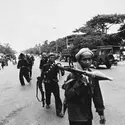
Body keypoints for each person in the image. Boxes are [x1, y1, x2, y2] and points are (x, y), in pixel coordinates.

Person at [64, 48, 106, 125]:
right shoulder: (72, 75)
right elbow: (68, 95)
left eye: (89, 59)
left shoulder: (92, 75)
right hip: (75, 116)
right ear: (79, 61)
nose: (87, 62)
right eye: (84, 59)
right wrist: (79, 83)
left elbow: (97, 95)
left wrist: (101, 113)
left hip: (87, 115)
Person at [40, 53, 64, 118]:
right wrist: (41, 80)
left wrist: (62, 69)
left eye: (53, 57)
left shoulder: (56, 66)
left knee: (57, 97)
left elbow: (62, 73)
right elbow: (42, 74)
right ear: (49, 58)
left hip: (54, 83)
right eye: (51, 57)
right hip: (47, 83)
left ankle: (59, 111)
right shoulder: (45, 66)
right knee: (48, 94)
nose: (52, 58)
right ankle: (47, 103)